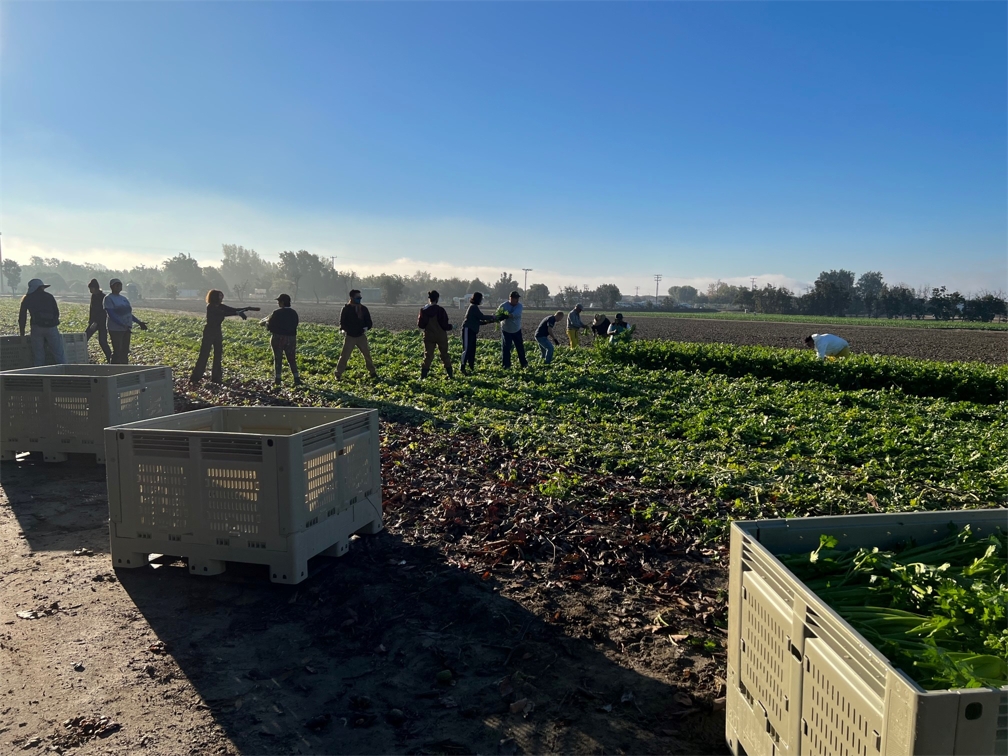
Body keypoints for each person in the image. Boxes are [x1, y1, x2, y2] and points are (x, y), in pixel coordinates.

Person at [190, 289, 245, 385]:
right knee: (204, 354)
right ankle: (196, 377)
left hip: (217, 331)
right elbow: (223, 313)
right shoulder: (211, 307)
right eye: (219, 296)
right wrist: (237, 313)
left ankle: (216, 377)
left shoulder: (220, 306)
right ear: (214, 297)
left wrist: (243, 309)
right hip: (209, 331)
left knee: (218, 354)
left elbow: (230, 309)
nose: (221, 298)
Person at [18, 278, 66, 366]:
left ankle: (40, 375)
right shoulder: (49, 296)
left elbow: (22, 317)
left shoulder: (28, 298)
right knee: (58, 353)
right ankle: (64, 371)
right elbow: (56, 312)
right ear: (41, 287)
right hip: (51, 327)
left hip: (37, 328)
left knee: (39, 355)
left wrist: (22, 332)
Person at [104, 278, 148, 365]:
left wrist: (139, 322)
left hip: (126, 328)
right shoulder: (108, 298)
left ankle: (125, 368)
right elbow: (111, 314)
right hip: (115, 329)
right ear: (111, 287)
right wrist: (122, 324)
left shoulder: (124, 298)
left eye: (120, 285)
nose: (118, 287)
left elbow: (128, 314)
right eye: (116, 285)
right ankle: (114, 368)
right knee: (117, 350)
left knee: (125, 351)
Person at [335, 289, 377, 379]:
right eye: (357, 297)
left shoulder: (364, 309)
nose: (359, 299)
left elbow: (369, 322)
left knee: (367, 354)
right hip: (350, 336)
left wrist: (367, 327)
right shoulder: (346, 309)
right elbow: (342, 322)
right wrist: (343, 330)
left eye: (360, 297)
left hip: (361, 336)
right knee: (344, 355)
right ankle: (338, 374)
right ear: (352, 298)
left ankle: (372, 372)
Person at [263, 294, 301, 387]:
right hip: (291, 338)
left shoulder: (276, 313)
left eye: (279, 301)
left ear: (282, 302)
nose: (278, 303)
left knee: (278, 358)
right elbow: (295, 324)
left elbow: (270, 326)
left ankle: (278, 379)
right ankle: (296, 378)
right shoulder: (294, 313)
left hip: (278, 338)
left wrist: (265, 324)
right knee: (292, 359)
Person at [460, 291, 501, 374]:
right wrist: (492, 317)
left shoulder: (474, 307)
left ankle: (471, 367)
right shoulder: (473, 307)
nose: (481, 300)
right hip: (468, 329)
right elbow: (481, 317)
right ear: (478, 299)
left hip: (473, 331)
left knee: (472, 349)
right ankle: (462, 367)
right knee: (467, 349)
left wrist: (489, 321)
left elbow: (478, 321)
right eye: (481, 299)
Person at [418, 290, 454, 379]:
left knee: (428, 356)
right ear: (437, 299)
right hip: (441, 335)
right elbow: (445, 325)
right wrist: (451, 327)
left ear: (429, 299)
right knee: (444, 354)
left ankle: (423, 377)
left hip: (429, 335)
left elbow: (421, 325)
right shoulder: (440, 310)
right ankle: (450, 375)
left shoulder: (423, 310)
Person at [499, 290, 528, 369]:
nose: (517, 300)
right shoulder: (503, 305)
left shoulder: (519, 306)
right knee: (506, 348)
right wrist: (497, 317)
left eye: (517, 298)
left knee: (520, 347)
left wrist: (506, 315)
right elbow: (498, 314)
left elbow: (515, 314)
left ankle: (524, 363)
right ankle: (506, 365)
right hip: (506, 330)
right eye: (515, 298)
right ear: (510, 298)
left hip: (516, 330)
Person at [85, 278, 112, 363]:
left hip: (102, 323)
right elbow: (92, 310)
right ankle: (85, 356)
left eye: (91, 289)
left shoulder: (103, 297)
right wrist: (91, 322)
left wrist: (96, 322)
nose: (90, 291)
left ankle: (110, 358)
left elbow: (103, 312)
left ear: (95, 288)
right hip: (93, 322)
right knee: (84, 338)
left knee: (102, 342)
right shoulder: (93, 296)